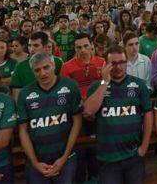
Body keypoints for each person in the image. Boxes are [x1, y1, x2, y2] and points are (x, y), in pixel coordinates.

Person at [83, 46, 153, 183]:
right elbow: (88, 111)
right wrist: (105, 82)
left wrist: (144, 147)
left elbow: (148, 115)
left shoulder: (138, 85)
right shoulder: (96, 87)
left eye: (121, 62)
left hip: (133, 155)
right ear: (106, 65)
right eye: (113, 63)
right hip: (107, 159)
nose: (118, 67)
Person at [17, 52, 83, 184]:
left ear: (53, 65)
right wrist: (35, 162)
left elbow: (77, 121)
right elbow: (23, 131)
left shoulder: (70, 86)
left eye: (46, 67)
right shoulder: (25, 93)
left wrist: (64, 158)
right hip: (37, 160)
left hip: (66, 157)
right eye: (37, 70)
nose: (42, 73)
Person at [11, 32, 65, 100]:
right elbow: (17, 95)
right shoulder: (20, 67)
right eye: (29, 45)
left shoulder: (57, 62)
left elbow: (63, 87)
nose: (31, 49)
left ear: (45, 47)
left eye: (36, 45)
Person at [60, 34, 105, 100]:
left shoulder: (102, 63)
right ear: (75, 48)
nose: (83, 50)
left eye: (86, 46)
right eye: (79, 47)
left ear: (91, 45)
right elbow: (66, 91)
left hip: (101, 101)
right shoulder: (66, 67)